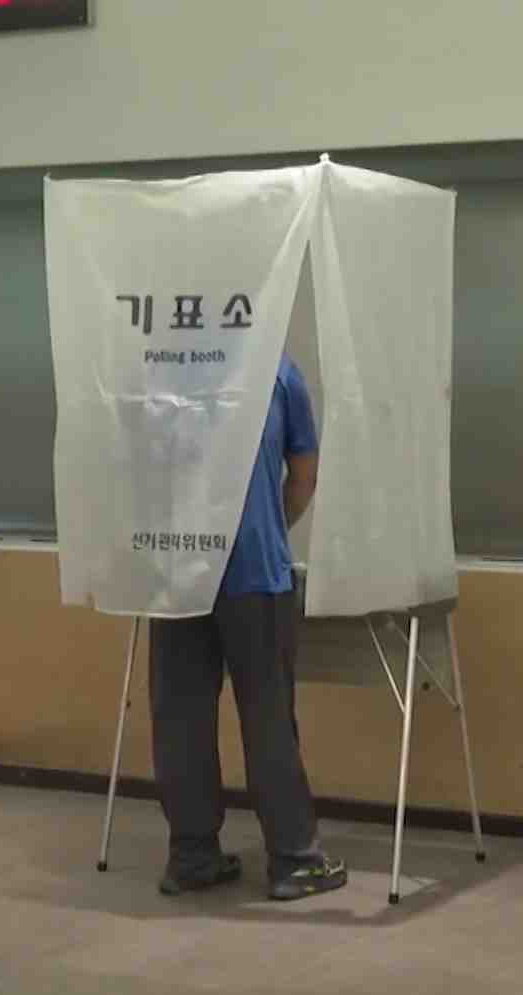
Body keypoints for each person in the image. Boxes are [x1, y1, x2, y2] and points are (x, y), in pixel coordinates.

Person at [149, 354, 347, 902]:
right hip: (255, 571)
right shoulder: (276, 371)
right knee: (268, 718)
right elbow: (303, 477)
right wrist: (265, 528)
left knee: (181, 718)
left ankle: (191, 856)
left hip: (177, 573)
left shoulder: (160, 366)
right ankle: (294, 860)